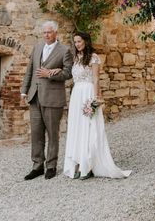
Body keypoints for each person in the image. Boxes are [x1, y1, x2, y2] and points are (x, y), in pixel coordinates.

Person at [62, 31, 131, 179]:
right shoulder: (76, 58)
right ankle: (79, 163)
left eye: (79, 41)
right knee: (78, 128)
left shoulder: (93, 57)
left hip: (88, 93)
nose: (77, 44)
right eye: (75, 42)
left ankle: (88, 165)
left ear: (86, 41)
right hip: (76, 95)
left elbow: (96, 79)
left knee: (89, 126)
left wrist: (95, 99)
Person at [21, 20, 72, 180]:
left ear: (56, 33)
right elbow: (30, 70)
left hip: (52, 98)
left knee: (52, 133)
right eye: (44, 32)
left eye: (49, 32)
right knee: (36, 134)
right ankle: (37, 166)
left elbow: (68, 73)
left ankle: (51, 166)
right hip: (34, 96)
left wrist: (49, 73)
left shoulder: (65, 51)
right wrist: (24, 91)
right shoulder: (37, 47)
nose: (46, 35)